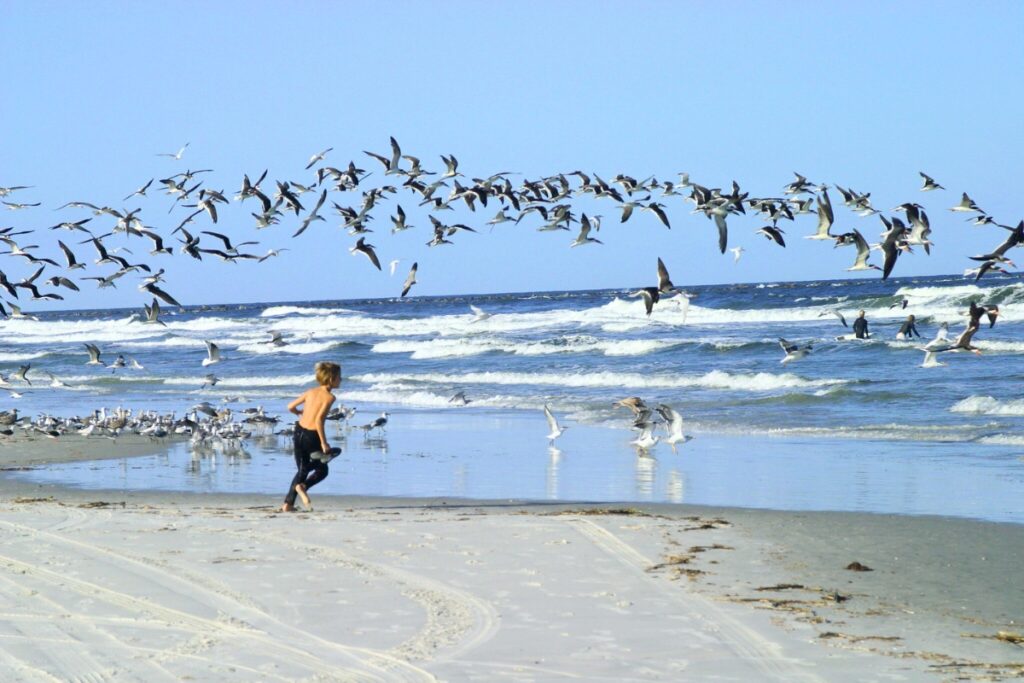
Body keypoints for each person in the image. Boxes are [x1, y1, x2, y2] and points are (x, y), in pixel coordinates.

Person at [281, 361, 341, 512]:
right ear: (331, 378)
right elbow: (319, 420)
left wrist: (299, 413)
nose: (341, 380)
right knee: (323, 469)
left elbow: (290, 406)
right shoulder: (329, 397)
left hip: (298, 431)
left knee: (302, 470)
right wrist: (324, 443)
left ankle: (288, 504)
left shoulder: (310, 392)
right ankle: (303, 487)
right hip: (312, 436)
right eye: (339, 377)